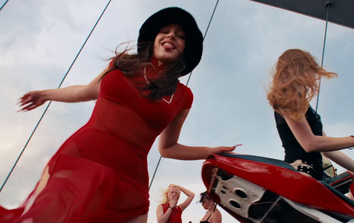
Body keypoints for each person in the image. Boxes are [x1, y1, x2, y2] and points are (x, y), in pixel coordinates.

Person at [0, 7, 235, 223]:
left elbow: (168, 148)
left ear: (187, 48)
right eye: (165, 31)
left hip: (131, 177)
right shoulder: (123, 64)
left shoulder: (184, 96)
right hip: (83, 156)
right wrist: (46, 94)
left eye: (180, 35)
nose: (171, 36)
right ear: (153, 39)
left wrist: (209, 152)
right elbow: (86, 91)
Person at [266, 49, 354, 181]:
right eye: (311, 70)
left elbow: (328, 149)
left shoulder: (302, 104)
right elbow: (309, 143)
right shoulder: (289, 97)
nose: (314, 76)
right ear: (300, 68)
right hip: (301, 175)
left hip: (315, 177)